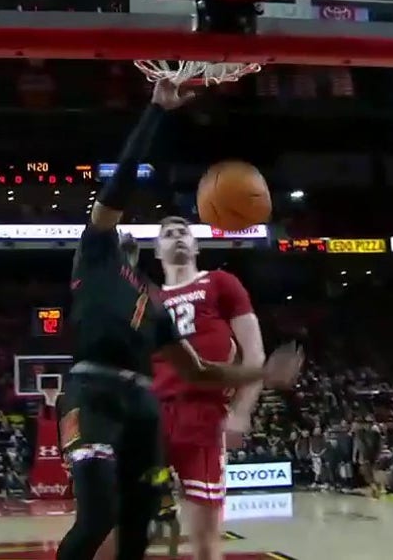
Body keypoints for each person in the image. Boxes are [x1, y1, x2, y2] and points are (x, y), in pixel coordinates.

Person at [57, 78, 303, 560]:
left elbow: (200, 370)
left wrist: (261, 375)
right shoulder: (95, 253)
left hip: (147, 408)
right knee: (98, 516)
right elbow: (121, 179)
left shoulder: (153, 300)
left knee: (136, 531)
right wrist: (155, 112)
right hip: (93, 393)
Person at [148, 213, 267, 559]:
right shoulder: (148, 298)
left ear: (196, 244)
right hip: (153, 415)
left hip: (202, 413)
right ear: (158, 251)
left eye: (183, 231)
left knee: (204, 540)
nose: (177, 236)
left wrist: (241, 412)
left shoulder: (220, 282)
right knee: (132, 528)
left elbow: (254, 352)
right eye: (168, 234)